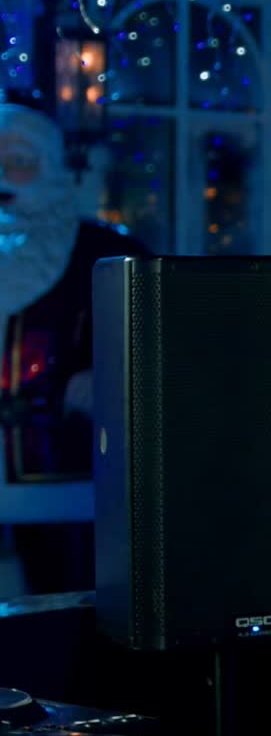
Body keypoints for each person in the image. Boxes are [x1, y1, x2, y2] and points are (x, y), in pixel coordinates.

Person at [0, 102, 147, 594]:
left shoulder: (107, 255)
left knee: (63, 612)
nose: (3, 178)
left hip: (68, 488)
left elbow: (163, 354)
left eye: (19, 161)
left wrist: (111, 378)